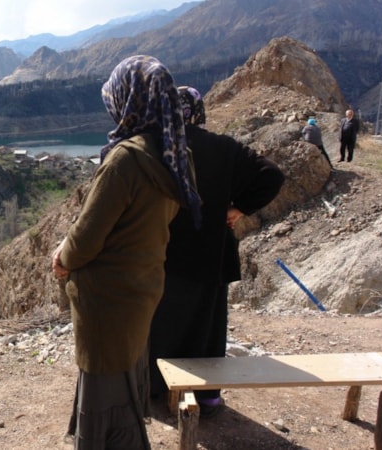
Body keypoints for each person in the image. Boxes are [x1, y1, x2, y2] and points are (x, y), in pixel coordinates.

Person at [52, 55, 201, 449]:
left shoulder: (125, 160)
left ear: (129, 99)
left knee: (104, 386)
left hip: (106, 299)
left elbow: (86, 239)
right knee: (126, 376)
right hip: (142, 287)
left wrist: (62, 259)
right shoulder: (174, 154)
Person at [148, 86, 284, 417]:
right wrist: (239, 208)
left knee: (163, 321)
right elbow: (272, 174)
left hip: (167, 252)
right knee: (207, 325)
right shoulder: (224, 148)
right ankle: (206, 395)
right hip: (212, 253)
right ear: (199, 112)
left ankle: (157, 388)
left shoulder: (158, 147)